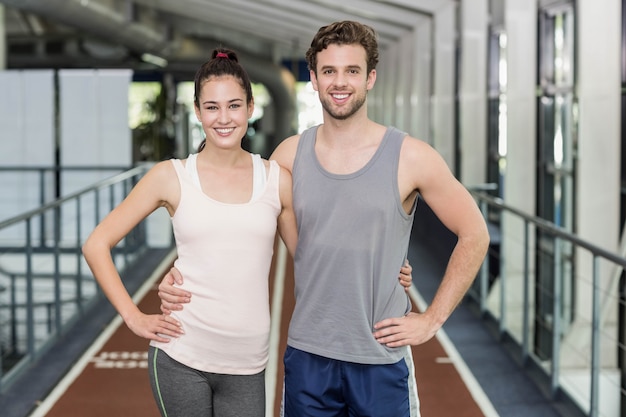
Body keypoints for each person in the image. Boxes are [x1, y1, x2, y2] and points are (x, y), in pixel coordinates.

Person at [160, 20, 489, 417]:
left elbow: (474, 233)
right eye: (329, 71)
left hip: (380, 359)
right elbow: (228, 220)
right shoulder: (287, 157)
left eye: (352, 70)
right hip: (309, 358)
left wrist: (432, 319)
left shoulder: (411, 157)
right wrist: (182, 273)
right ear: (313, 79)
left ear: (370, 77)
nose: (340, 82)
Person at [82, 48, 299, 417]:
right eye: (212, 107)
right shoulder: (172, 176)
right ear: (198, 112)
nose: (223, 118)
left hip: (247, 363)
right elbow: (96, 244)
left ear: (250, 108)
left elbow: (311, 259)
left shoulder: (277, 181)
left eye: (233, 105)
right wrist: (134, 317)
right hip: (181, 355)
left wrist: (386, 267)